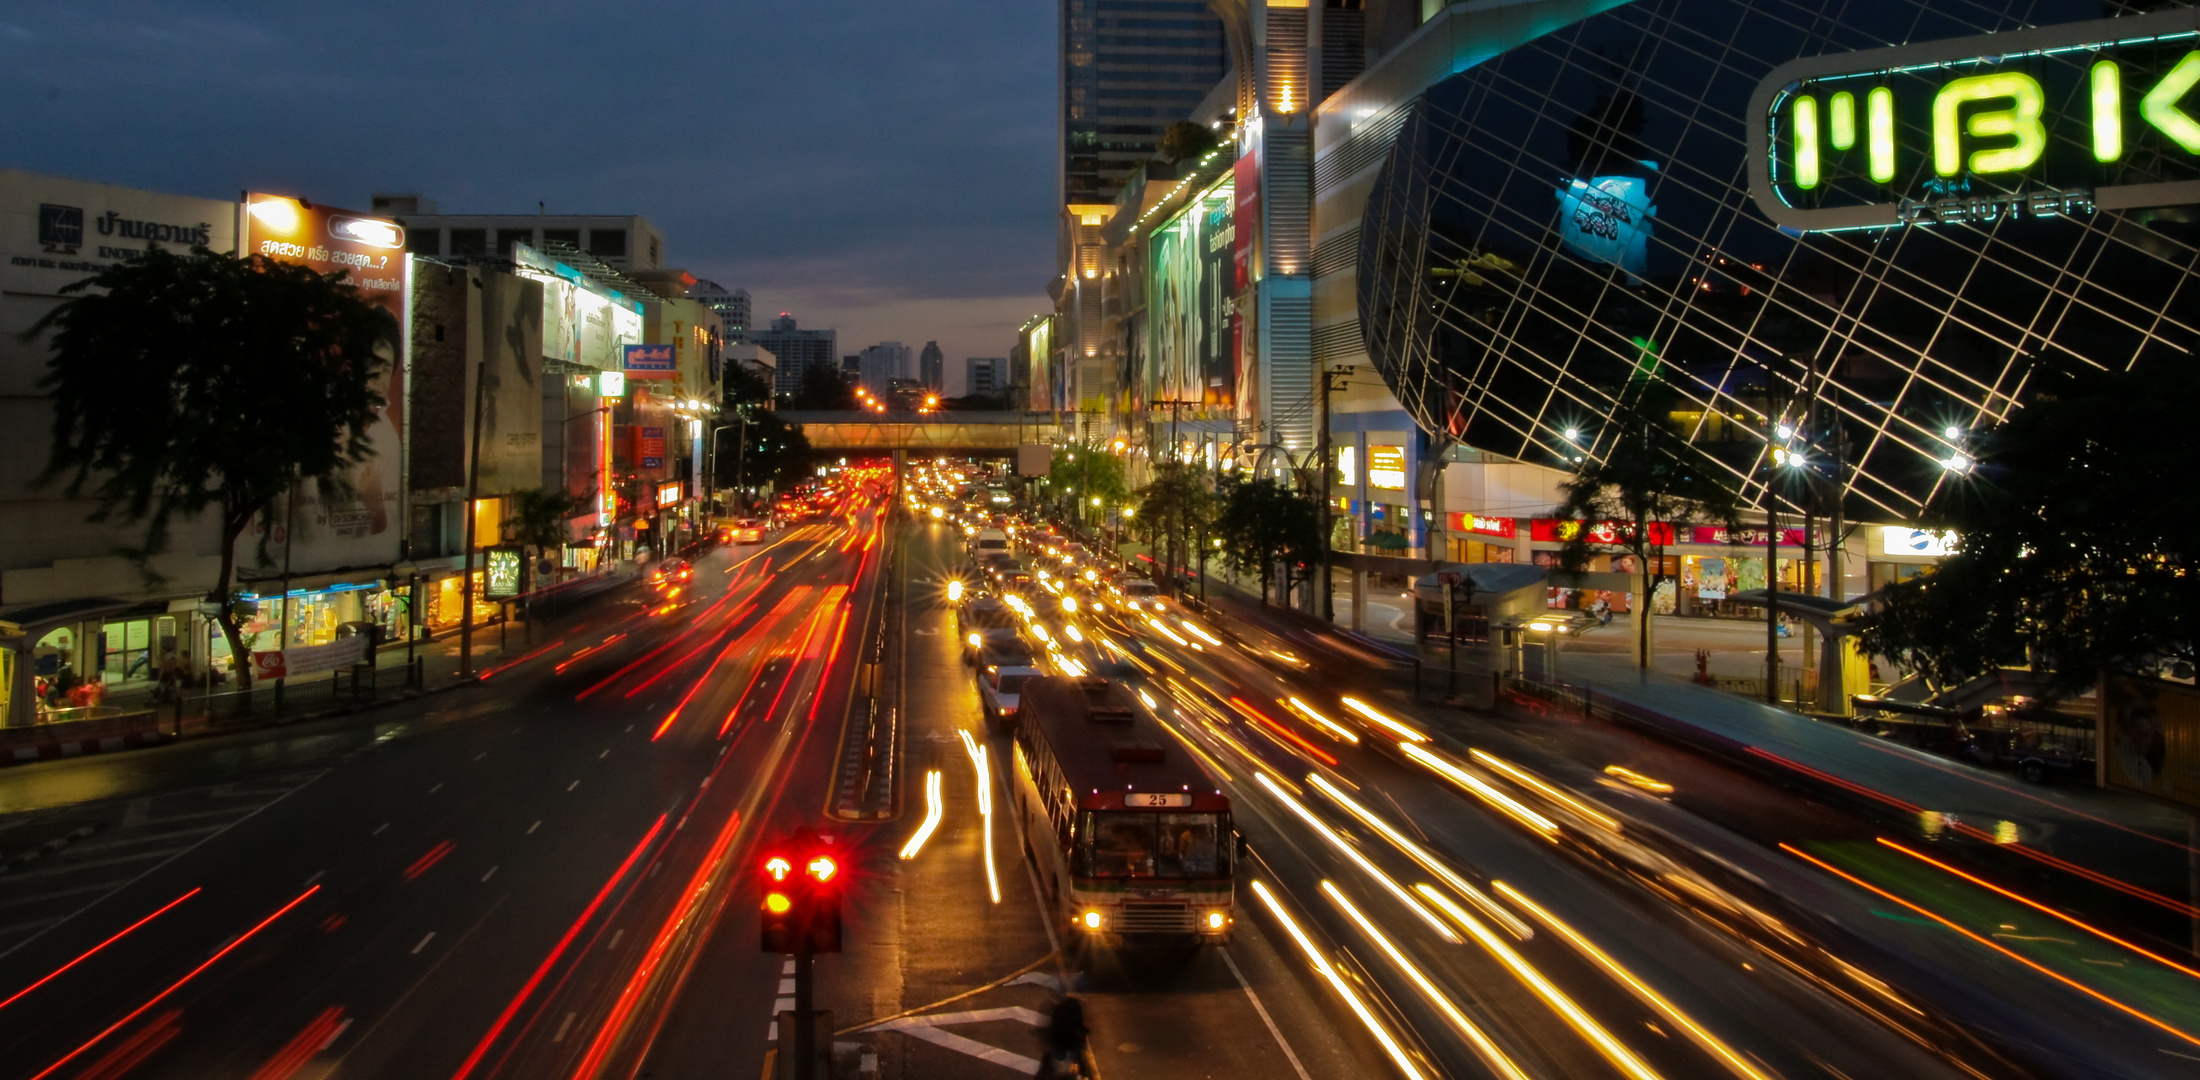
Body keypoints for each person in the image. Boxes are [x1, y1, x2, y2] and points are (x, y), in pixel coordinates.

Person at [1043, 996, 1088, 1078]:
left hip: (1060, 1044)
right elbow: (1079, 1027)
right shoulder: (1075, 1015)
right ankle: (1079, 1073)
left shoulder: (1058, 1011)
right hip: (1070, 1044)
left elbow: (1053, 1026)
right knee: (1076, 1061)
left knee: (1058, 1063)